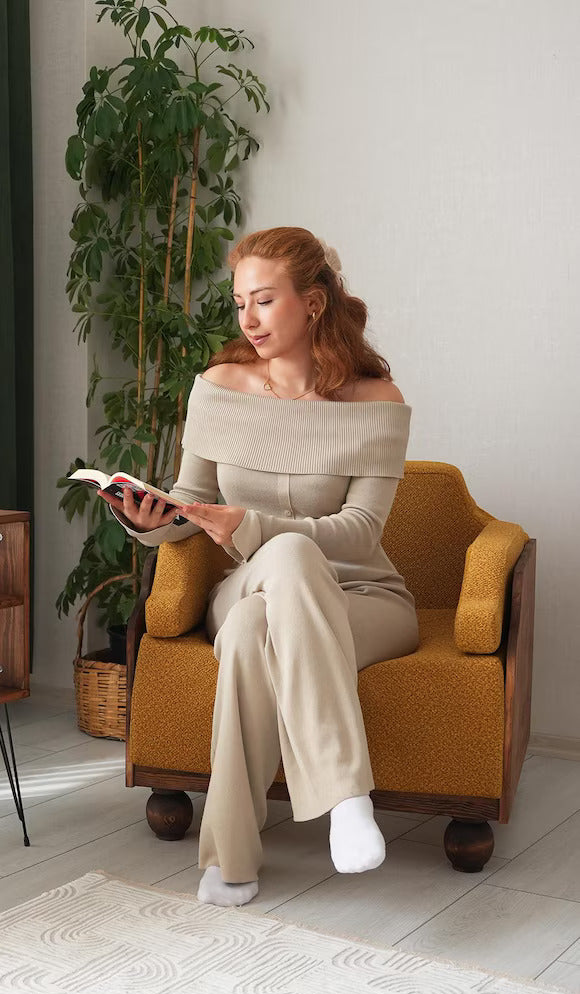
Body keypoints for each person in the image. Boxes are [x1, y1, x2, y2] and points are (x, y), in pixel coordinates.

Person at [104, 226, 418, 907]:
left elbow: (361, 536)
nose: (246, 318)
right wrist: (147, 522)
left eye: (264, 300)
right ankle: (345, 796)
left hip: (363, 597)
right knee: (280, 562)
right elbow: (188, 505)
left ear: (311, 304)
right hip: (241, 579)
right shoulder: (220, 387)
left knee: (253, 630)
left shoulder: (377, 404)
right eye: (240, 301)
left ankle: (231, 858)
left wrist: (254, 525)